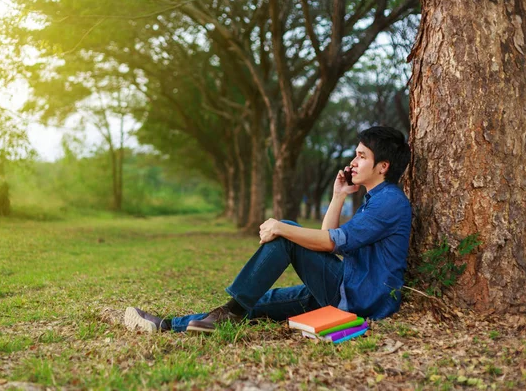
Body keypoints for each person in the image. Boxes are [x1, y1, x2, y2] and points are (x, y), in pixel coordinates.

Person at [124, 126, 412, 333]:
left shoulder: (388, 202)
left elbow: (328, 242)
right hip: (347, 287)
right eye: (355, 154)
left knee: (286, 229)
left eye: (361, 156)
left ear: (383, 166)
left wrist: (280, 227)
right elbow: (329, 238)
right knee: (260, 304)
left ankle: (231, 311)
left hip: (360, 301)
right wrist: (338, 196)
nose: (353, 162)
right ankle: (167, 325)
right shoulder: (376, 198)